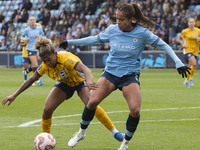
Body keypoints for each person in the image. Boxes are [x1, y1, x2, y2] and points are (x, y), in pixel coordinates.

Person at [59, 2, 190, 150]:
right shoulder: (113, 29)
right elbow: (95, 39)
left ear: (131, 20)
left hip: (129, 75)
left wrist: (178, 62)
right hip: (110, 74)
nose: (118, 22)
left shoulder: (143, 33)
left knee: (135, 110)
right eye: (117, 19)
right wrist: (69, 42)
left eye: (121, 20)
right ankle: (81, 133)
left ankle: (125, 143)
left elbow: (164, 45)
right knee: (91, 102)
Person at [1, 36, 124, 143]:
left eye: (49, 59)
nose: (48, 63)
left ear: (55, 54)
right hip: (65, 83)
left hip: (80, 82)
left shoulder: (65, 58)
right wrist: (14, 95)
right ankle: (46, 138)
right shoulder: (44, 66)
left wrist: (89, 81)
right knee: (47, 109)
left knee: (91, 104)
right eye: (44, 61)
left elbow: (85, 69)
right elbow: (31, 79)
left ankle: (115, 132)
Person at [21, 16, 44, 86]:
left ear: (35, 21)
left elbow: (43, 35)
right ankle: (38, 80)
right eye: (31, 20)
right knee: (36, 65)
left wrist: (40, 37)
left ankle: (26, 71)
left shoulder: (39, 29)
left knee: (34, 65)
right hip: (30, 48)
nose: (32, 21)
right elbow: (21, 36)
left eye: (33, 20)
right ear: (29, 22)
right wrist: (25, 39)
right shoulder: (27, 30)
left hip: (36, 48)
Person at [177, 17, 200, 88]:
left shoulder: (198, 31)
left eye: (193, 22)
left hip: (195, 50)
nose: (191, 23)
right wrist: (182, 44)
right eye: (190, 22)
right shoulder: (185, 31)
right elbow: (178, 39)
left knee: (192, 66)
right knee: (194, 63)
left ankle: (187, 80)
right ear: (188, 23)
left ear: (195, 23)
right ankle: (190, 79)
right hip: (188, 50)